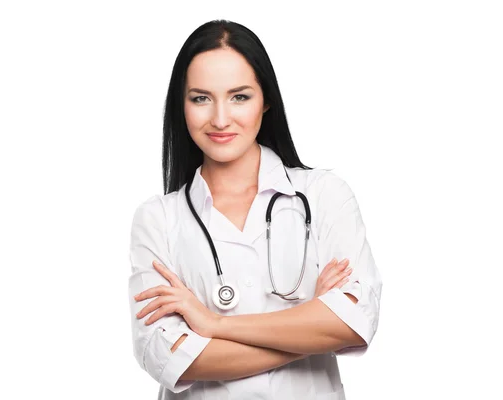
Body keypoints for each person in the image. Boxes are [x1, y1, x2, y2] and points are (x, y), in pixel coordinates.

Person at [128, 19, 382, 400]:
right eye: (200, 98)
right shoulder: (158, 219)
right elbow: (169, 357)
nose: (219, 118)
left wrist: (213, 325)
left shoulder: (325, 195)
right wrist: (311, 322)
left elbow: (355, 321)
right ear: (181, 107)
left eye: (239, 96)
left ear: (266, 101)